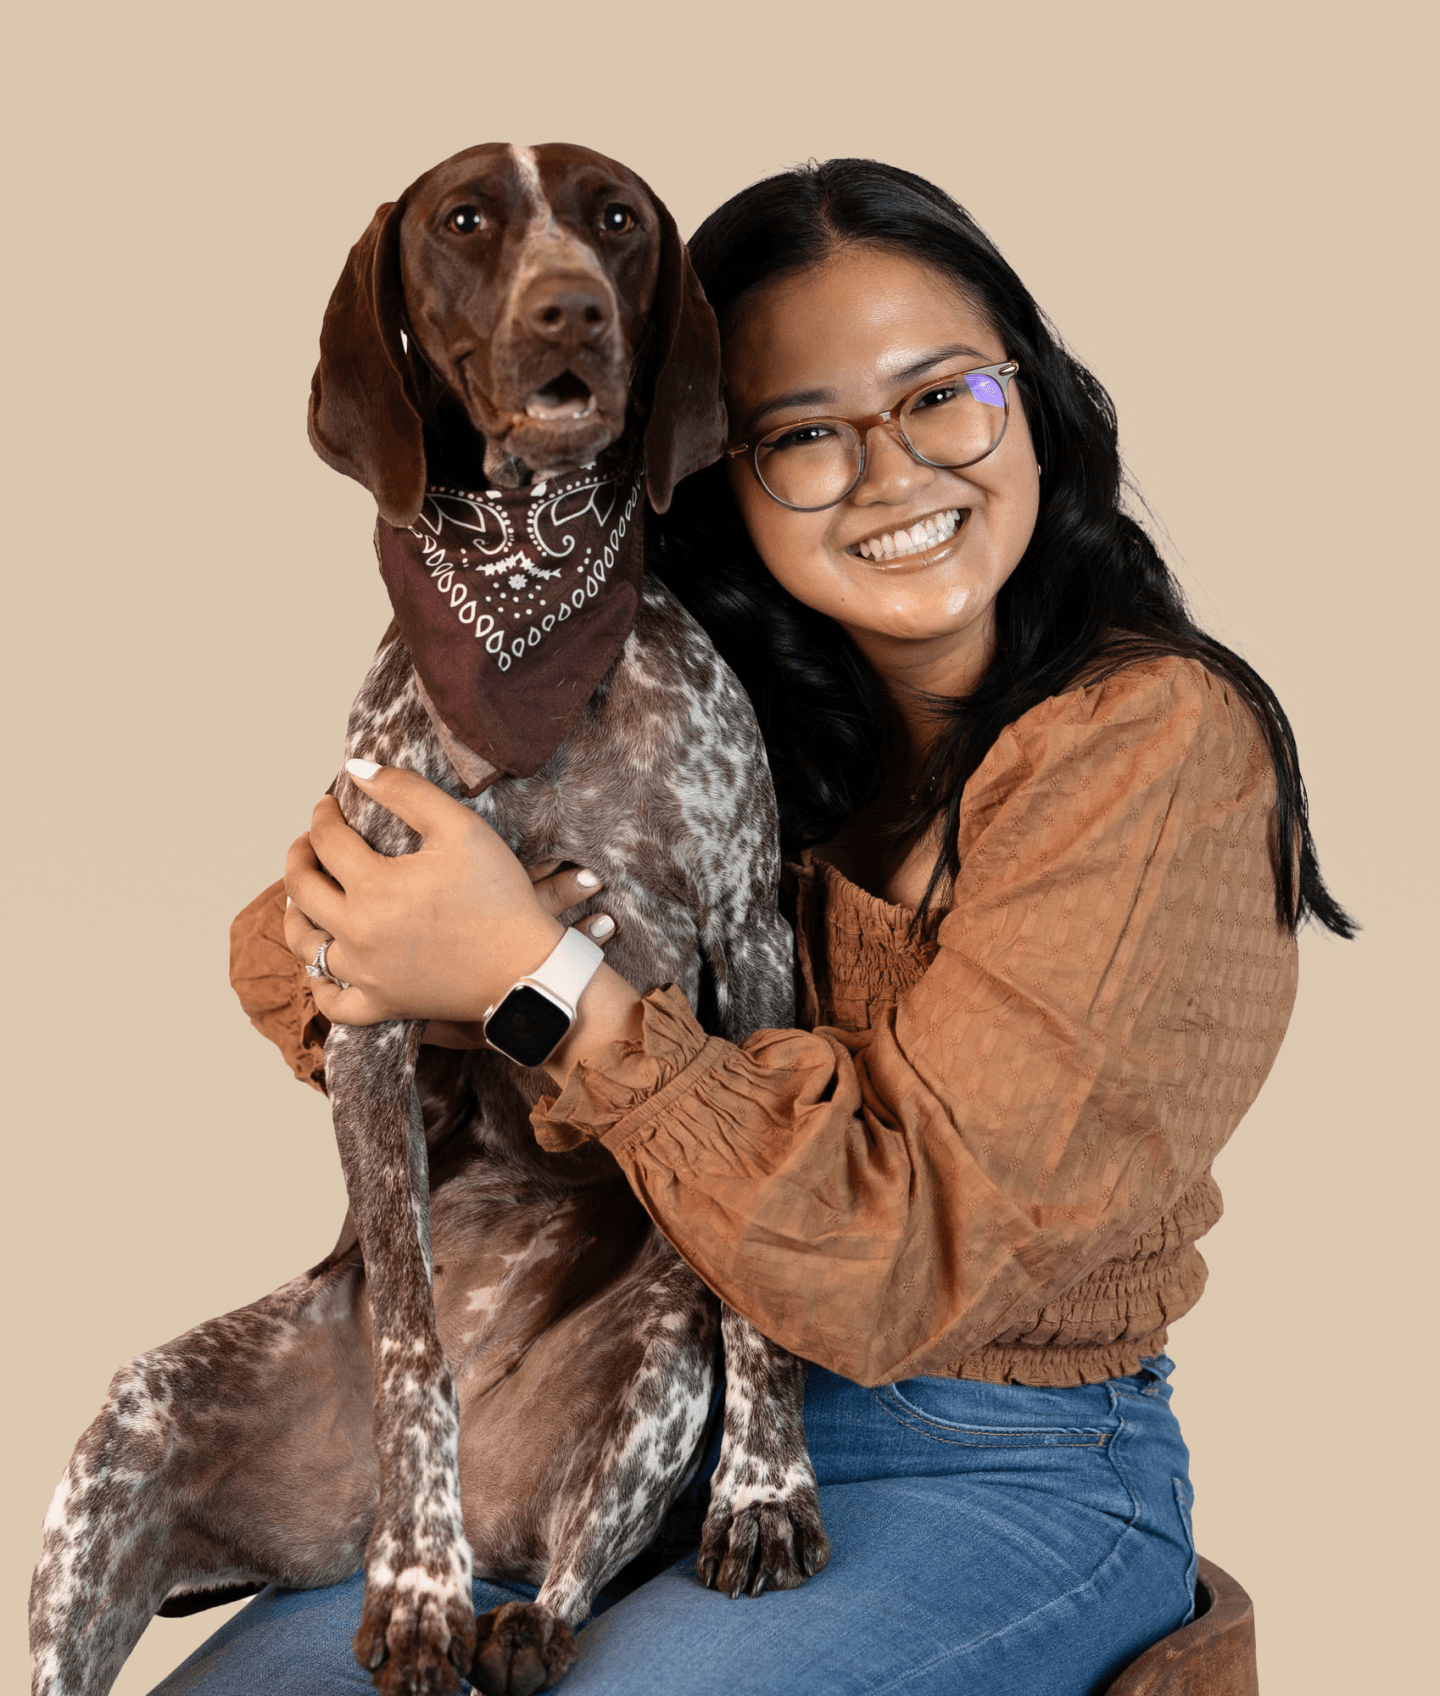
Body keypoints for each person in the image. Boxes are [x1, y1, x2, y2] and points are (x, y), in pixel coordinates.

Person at [171, 159, 1352, 1694]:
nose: (894, 474)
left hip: (983, 1456)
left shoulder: (1152, 745)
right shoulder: (712, 713)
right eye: (803, 435)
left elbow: (897, 1262)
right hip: (595, 1398)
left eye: (945, 397)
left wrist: (538, 979)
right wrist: (431, 944)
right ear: (715, 464)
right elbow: (292, 952)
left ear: (1034, 402)